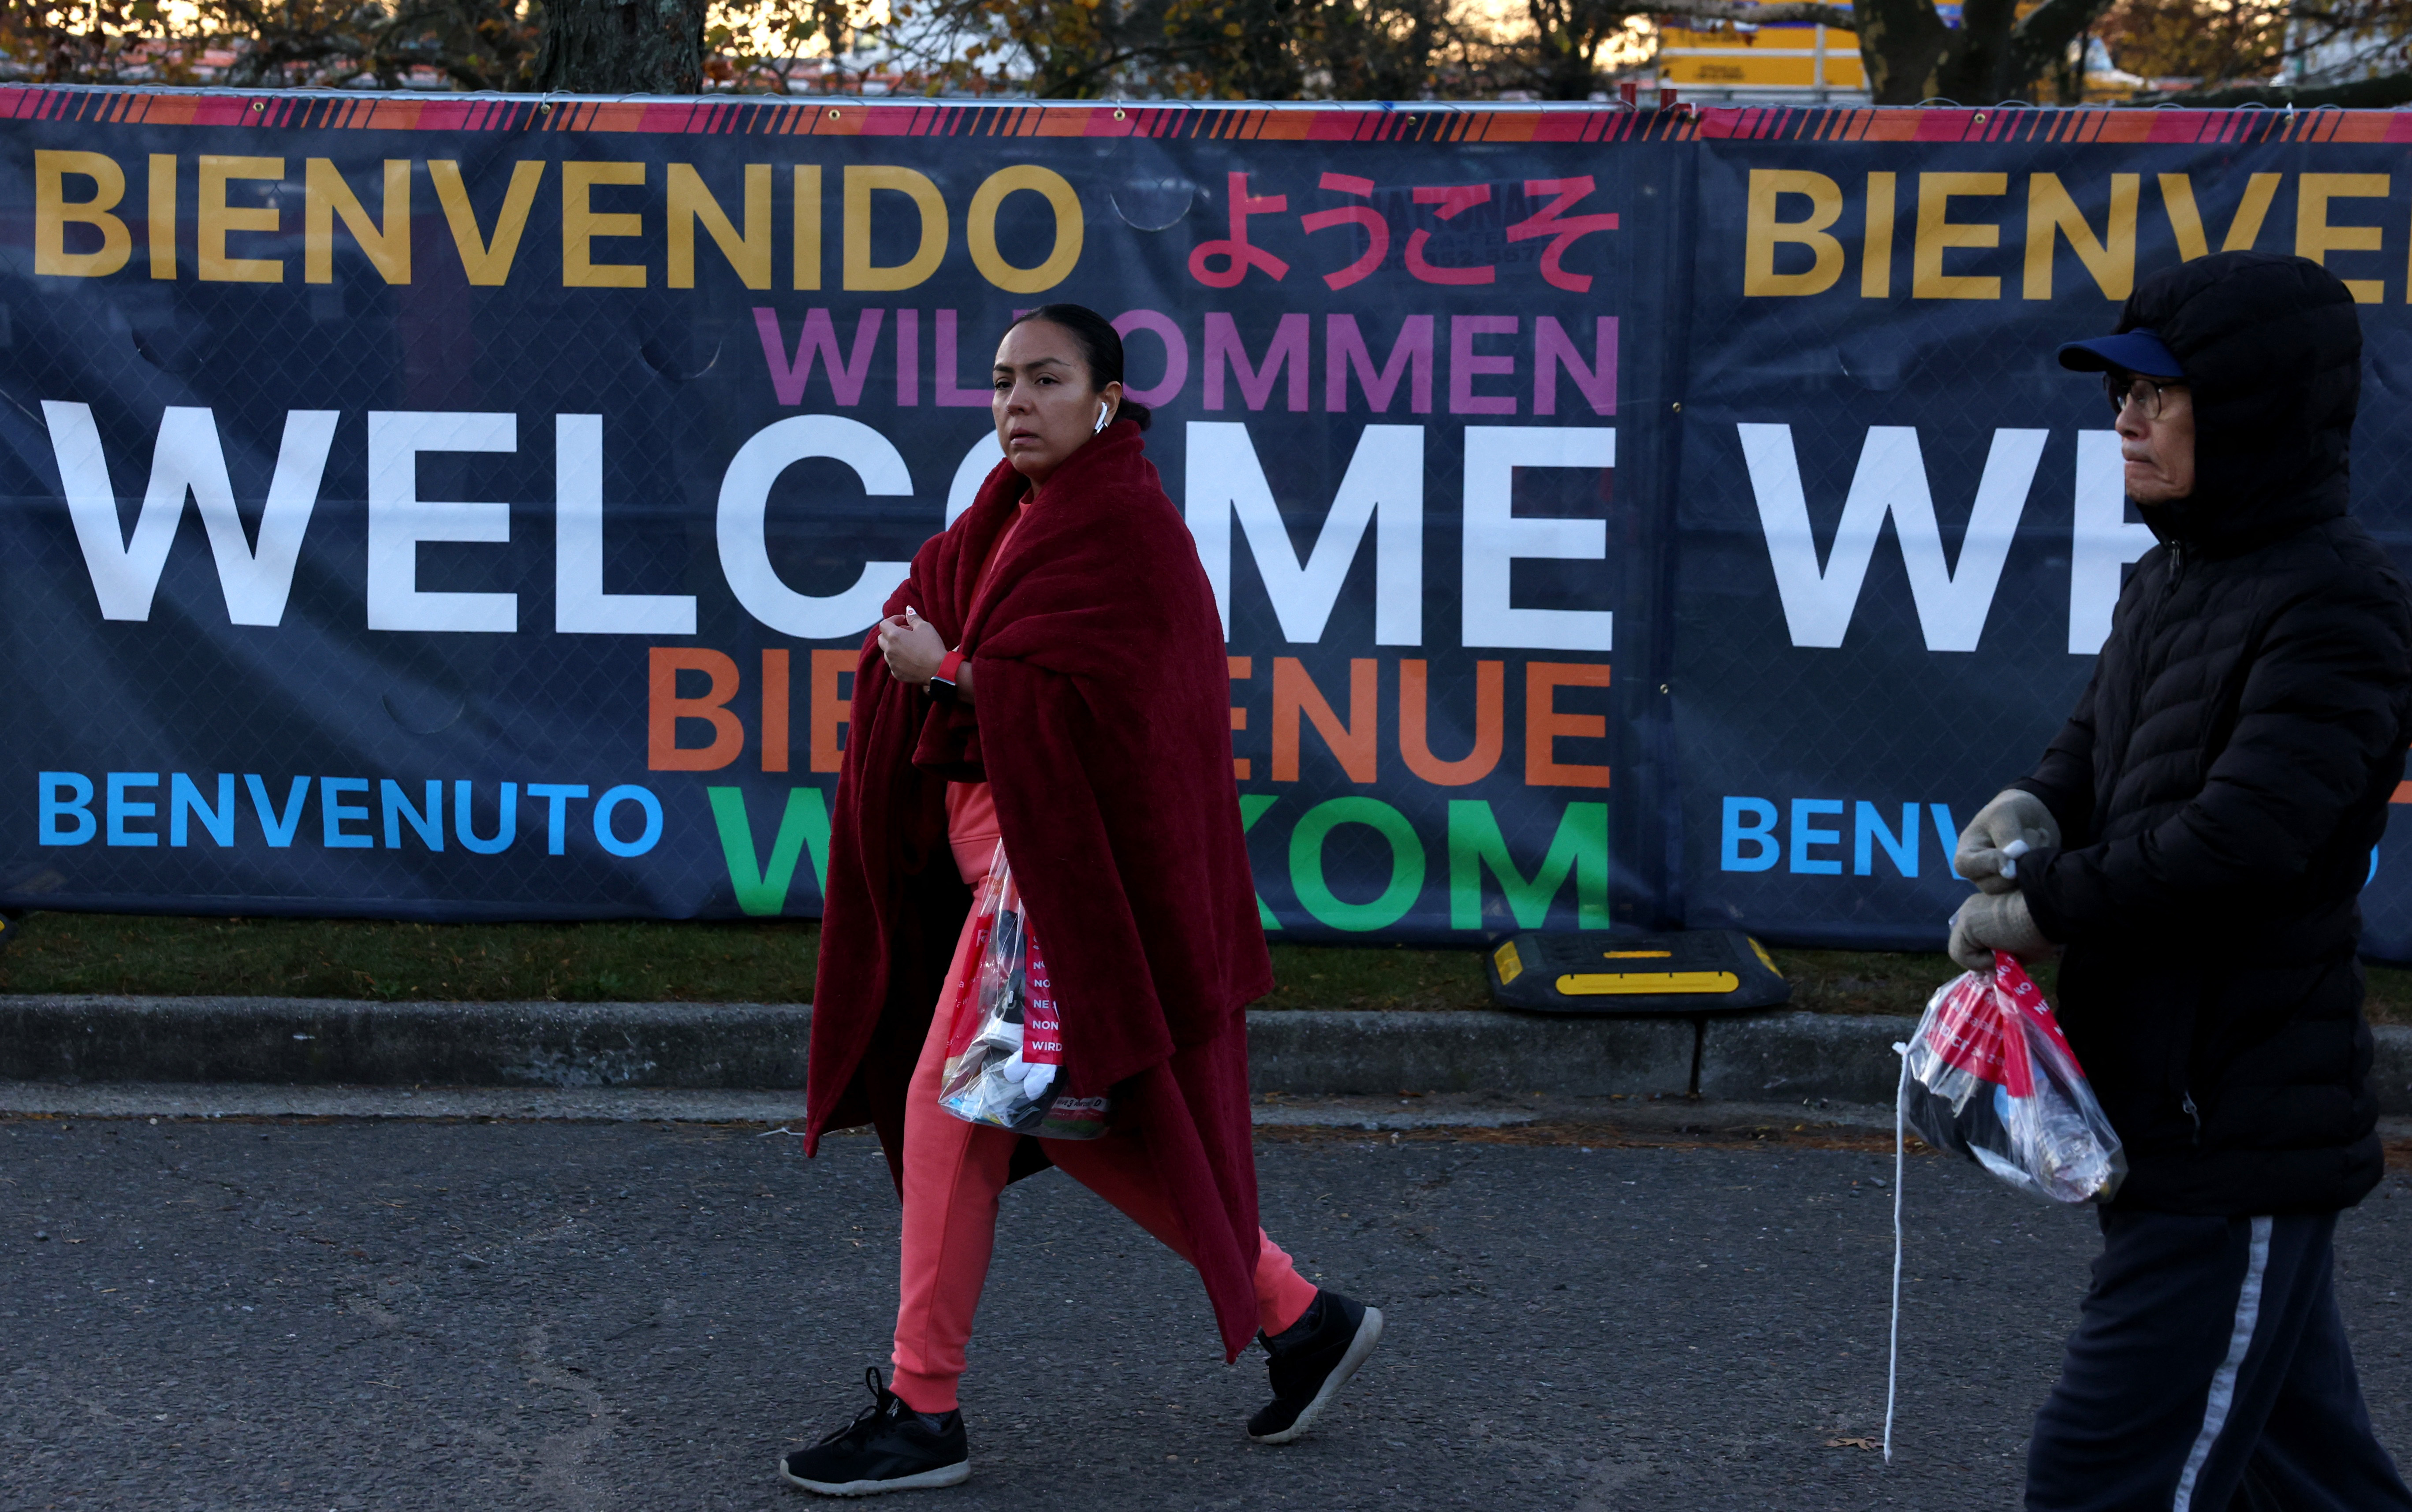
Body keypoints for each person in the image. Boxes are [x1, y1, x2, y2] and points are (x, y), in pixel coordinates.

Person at [777, 305, 1384, 1496]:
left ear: (1106, 399)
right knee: (1065, 1118)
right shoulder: (1005, 520)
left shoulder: (1126, 532)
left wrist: (951, 673)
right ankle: (1298, 1317)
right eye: (1004, 381)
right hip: (1007, 876)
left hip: (1049, 889)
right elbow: (925, 617)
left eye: (1046, 381)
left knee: (953, 1111)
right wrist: (929, 657)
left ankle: (922, 1408)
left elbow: (1113, 712)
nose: (1016, 403)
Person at [1948, 250, 2412, 1511]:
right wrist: (2035, 811)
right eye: (2120, 391)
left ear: (2252, 411)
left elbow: (2240, 847)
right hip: (2156, 1111)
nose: (2127, 416)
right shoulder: (2171, 577)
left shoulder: (2341, 606)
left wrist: (2035, 908)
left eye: (2163, 392)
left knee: (2100, 1478)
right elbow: (2098, 753)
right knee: (2307, 1475)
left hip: (2235, 1132)